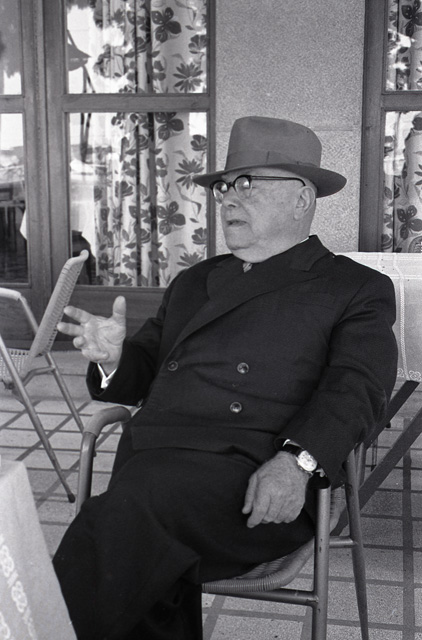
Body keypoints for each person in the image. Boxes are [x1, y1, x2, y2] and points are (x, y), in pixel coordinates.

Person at [53, 116, 398, 640]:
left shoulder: (353, 287)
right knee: (135, 537)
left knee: (124, 523)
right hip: (155, 464)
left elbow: (358, 389)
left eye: (247, 183)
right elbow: (141, 371)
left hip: (260, 478)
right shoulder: (195, 280)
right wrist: (113, 358)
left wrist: (298, 462)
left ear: (302, 197)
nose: (228, 199)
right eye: (224, 187)